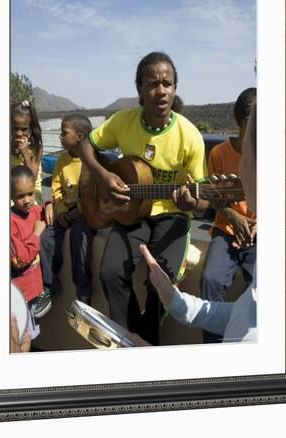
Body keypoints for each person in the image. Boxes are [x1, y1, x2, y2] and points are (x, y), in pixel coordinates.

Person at [79, 51, 208, 343]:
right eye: (152, 83)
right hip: (132, 212)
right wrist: (102, 175)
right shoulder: (123, 121)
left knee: (161, 282)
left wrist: (192, 203)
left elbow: (204, 200)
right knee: (110, 272)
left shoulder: (190, 136)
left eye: (168, 83)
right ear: (139, 88)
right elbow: (87, 145)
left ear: (175, 88)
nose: (161, 90)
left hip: (172, 215)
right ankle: (124, 337)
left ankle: (146, 342)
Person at [140, 102, 257, 343]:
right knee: (211, 279)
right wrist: (175, 301)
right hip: (225, 231)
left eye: (247, 153)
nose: (237, 170)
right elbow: (243, 314)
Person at [200, 87, 257, 343]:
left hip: (257, 234)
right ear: (246, 121)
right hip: (226, 231)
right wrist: (233, 217)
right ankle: (216, 348)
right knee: (210, 280)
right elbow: (213, 197)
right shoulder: (218, 154)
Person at [40, 114, 96, 304]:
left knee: (79, 241)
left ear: (79, 137)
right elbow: (56, 188)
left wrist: (72, 215)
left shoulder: (92, 161)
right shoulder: (62, 160)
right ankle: (49, 286)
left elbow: (90, 197)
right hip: (64, 212)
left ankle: (84, 293)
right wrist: (60, 210)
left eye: (64, 133)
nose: (60, 137)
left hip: (83, 213)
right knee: (46, 239)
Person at [10, 165, 52, 321]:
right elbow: (19, 261)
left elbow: (52, 213)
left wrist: (49, 204)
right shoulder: (11, 222)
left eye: (30, 194)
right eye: (20, 196)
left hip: (36, 292)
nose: (27, 200)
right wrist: (36, 234)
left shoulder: (35, 210)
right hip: (21, 294)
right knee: (21, 339)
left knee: (29, 337)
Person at [11, 100, 52, 219]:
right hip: (14, 194)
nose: (19, 133)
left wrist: (25, 154)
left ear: (30, 129)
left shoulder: (36, 147)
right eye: (14, 128)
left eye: (23, 129)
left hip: (31, 194)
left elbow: (32, 177)